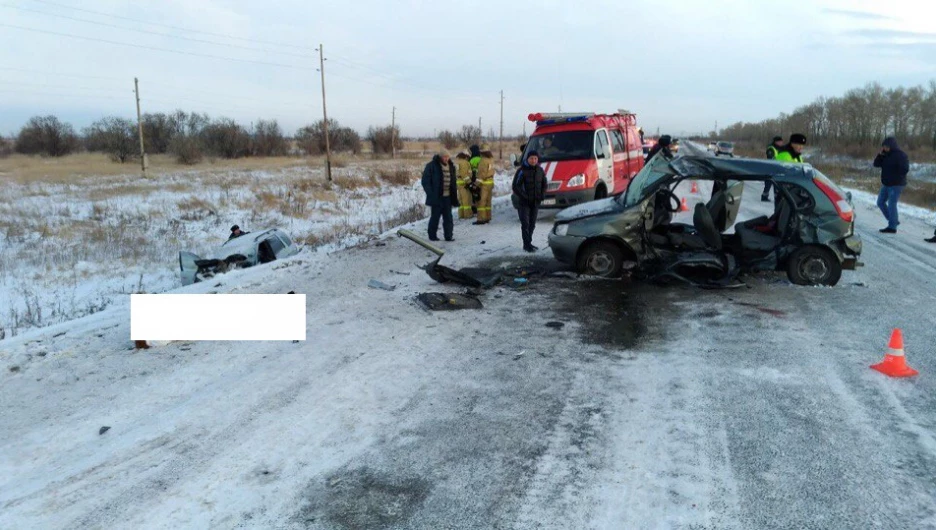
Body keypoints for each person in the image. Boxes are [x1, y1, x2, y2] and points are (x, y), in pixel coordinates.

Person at [421, 149, 460, 241]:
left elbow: (453, 182)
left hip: (448, 197)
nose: (446, 159)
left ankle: (448, 236)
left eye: (448, 157)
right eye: (444, 157)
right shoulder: (431, 166)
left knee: (448, 218)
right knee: (435, 217)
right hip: (437, 197)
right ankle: (432, 236)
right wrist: (431, 194)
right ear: (440, 157)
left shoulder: (451, 166)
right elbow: (425, 181)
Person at [513, 150, 547, 252]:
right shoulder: (521, 171)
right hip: (524, 203)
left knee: (532, 224)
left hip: (535, 202)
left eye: (535, 158)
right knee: (526, 224)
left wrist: (542, 195)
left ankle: (529, 243)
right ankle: (526, 245)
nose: (533, 160)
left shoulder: (540, 170)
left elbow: (544, 184)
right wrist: (525, 197)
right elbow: (516, 186)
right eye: (531, 158)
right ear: (527, 159)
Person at [873, 136, 909, 234]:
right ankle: (894, 221)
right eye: (883, 146)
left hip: (896, 184)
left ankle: (892, 227)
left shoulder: (901, 155)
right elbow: (876, 164)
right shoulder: (885, 155)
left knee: (892, 204)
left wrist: (896, 175)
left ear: (891, 146)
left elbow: (905, 169)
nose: (884, 148)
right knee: (880, 202)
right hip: (886, 183)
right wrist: (880, 156)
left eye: (886, 146)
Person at [474, 144, 496, 225]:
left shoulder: (483, 160)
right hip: (490, 182)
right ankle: (488, 217)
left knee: (481, 202)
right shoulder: (491, 159)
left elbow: (481, 174)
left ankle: (481, 219)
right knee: (488, 201)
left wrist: (476, 184)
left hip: (484, 184)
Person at [762, 135, 785, 201]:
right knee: (769, 182)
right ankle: (764, 196)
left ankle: (777, 197)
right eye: (780, 142)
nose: (781, 143)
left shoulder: (780, 148)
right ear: (776, 142)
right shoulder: (771, 148)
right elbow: (770, 158)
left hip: (778, 168)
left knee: (777, 183)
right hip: (771, 168)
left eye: (782, 142)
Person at [454, 150, 474, 219]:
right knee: (466, 200)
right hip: (464, 184)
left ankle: (461, 215)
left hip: (459, 183)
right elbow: (464, 174)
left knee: (461, 200)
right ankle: (467, 215)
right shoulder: (465, 163)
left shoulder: (457, 162)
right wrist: (469, 183)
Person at [468, 144, 482, 215]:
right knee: (479, 192)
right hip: (480, 177)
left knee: (473, 192)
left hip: (473, 177)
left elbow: (468, 168)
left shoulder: (471, 159)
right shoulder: (480, 158)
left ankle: (474, 207)